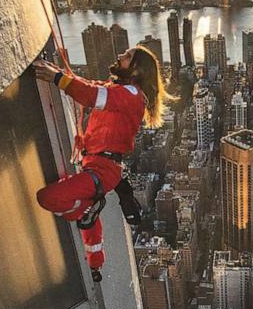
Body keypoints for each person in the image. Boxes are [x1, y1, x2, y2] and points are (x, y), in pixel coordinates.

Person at [32, 44, 170, 279]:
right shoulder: (118, 89)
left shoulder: (131, 95)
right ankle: (96, 260)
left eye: (127, 57)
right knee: (86, 216)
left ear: (136, 70)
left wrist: (57, 78)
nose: (120, 56)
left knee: (48, 197)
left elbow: (89, 95)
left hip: (103, 170)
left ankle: (86, 208)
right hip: (95, 165)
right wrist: (56, 70)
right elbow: (86, 85)